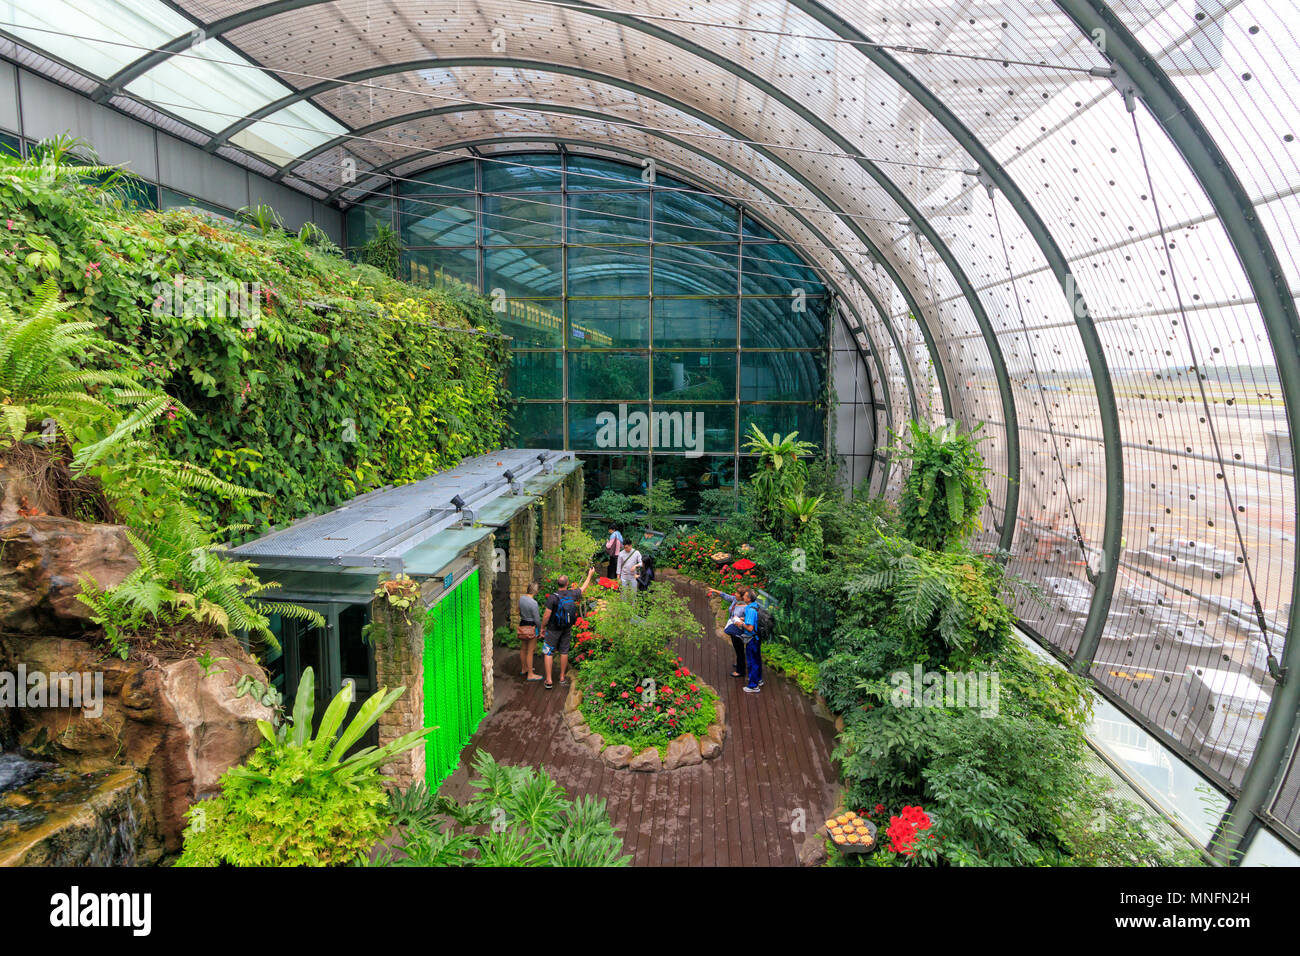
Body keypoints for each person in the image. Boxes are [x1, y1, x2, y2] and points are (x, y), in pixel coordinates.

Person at [540, 566, 596, 689]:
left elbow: (546, 615)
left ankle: (549, 680)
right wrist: (590, 574)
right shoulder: (572, 594)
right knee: (564, 651)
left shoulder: (553, 597)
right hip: (566, 628)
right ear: (567, 584)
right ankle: (561, 677)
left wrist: (542, 627)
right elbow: (583, 588)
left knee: (548, 652)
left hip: (553, 628)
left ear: (557, 584)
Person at [709, 586, 749, 678]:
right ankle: (740, 664)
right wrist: (715, 590)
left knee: (739, 649)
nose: (735, 594)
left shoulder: (745, 607)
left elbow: (749, 619)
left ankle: (740, 671)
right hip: (733, 627)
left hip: (738, 630)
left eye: (737, 593)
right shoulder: (736, 600)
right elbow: (726, 596)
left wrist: (742, 619)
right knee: (737, 648)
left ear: (742, 596)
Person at [517, 582, 543, 682]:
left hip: (523, 624)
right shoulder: (533, 603)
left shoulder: (521, 599)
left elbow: (519, 610)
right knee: (530, 651)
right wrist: (540, 629)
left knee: (523, 648)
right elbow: (537, 619)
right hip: (531, 626)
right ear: (536, 591)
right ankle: (530, 674)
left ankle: (524, 669)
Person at [740, 588, 764, 694]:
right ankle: (759, 679)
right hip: (757, 637)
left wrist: (740, 623)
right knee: (757, 659)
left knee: (752, 662)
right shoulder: (755, 605)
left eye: (744, 595)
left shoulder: (749, 610)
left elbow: (749, 628)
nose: (743, 597)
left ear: (748, 598)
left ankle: (753, 686)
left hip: (752, 639)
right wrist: (744, 620)